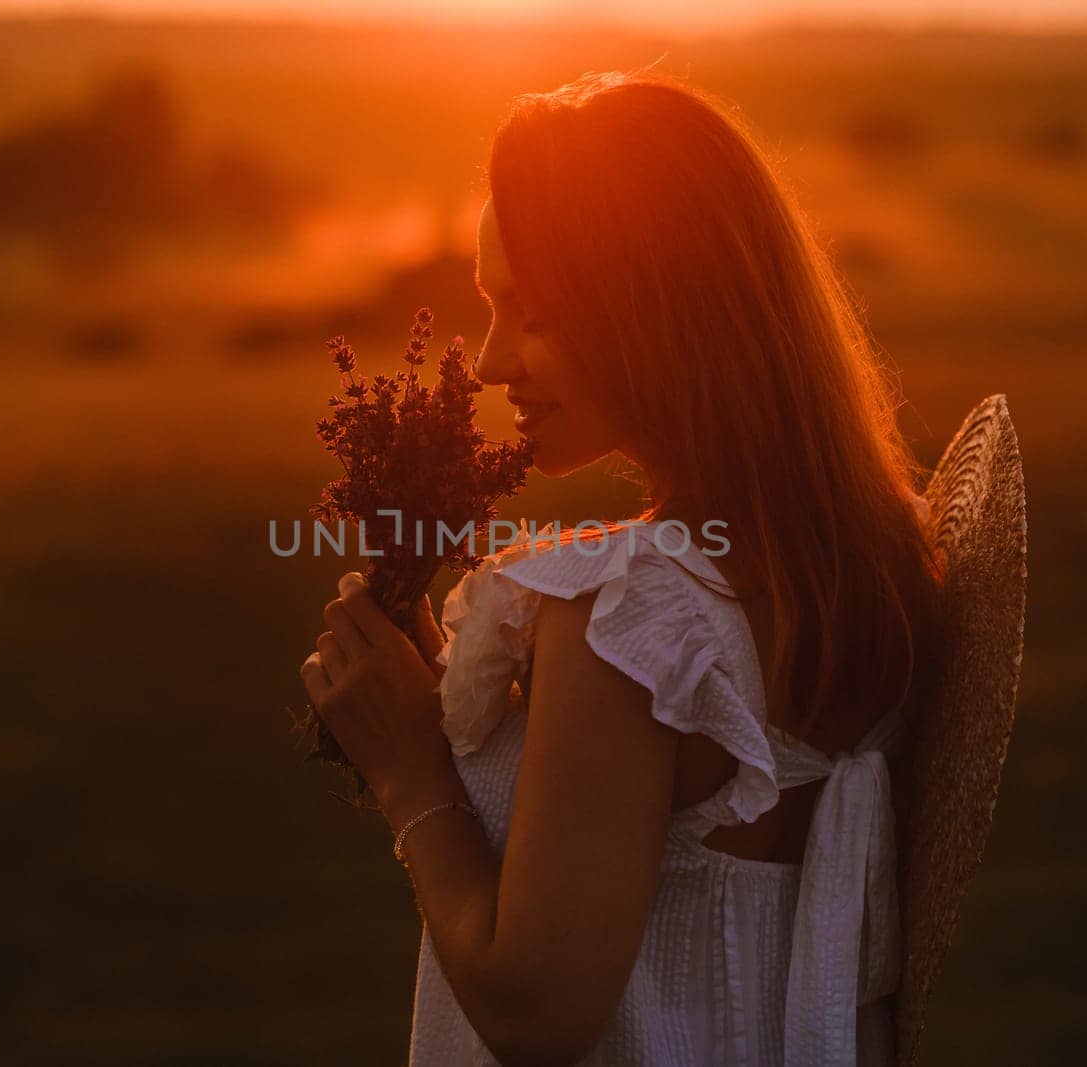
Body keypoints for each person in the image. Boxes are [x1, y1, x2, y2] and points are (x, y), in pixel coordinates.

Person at [299, 69, 942, 1066]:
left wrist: (409, 768)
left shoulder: (633, 608)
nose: (487, 361)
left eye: (534, 313)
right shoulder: (868, 558)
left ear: (651, 305)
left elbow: (533, 1010)